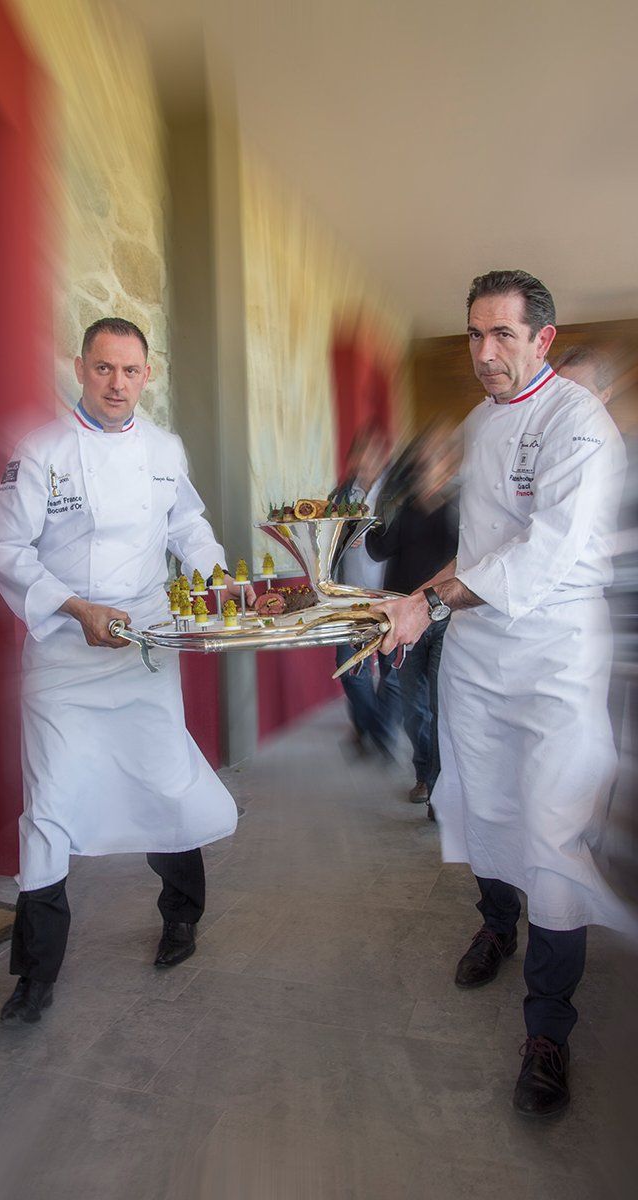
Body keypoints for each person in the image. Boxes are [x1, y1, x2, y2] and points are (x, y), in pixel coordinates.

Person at [376, 270, 634, 1118]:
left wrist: (430, 604)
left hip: (555, 655)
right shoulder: (484, 425)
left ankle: (548, 1030)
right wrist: (419, 599)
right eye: (475, 336)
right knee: (481, 802)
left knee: (553, 834)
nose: (485, 355)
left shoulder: (583, 428)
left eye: (503, 337)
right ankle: (496, 923)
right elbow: (482, 546)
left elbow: (544, 556)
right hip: (480, 653)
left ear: (543, 340)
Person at [0, 316, 253, 1025]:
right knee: (47, 807)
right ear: (80, 367)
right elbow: (10, 552)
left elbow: (186, 526)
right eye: (104, 369)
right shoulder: (41, 451)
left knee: (164, 780)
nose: (117, 384)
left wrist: (218, 575)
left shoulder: (164, 449)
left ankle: (182, 916)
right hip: (63, 653)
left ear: (148, 375)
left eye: (131, 371)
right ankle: (35, 976)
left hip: (142, 645)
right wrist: (75, 610)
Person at [366, 426, 459, 807]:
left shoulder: (461, 505)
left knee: (440, 707)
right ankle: (424, 774)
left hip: (447, 618)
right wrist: (367, 517)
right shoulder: (405, 508)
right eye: (422, 460)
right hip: (406, 621)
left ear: (450, 462)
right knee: (412, 708)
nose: (426, 466)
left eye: (435, 458)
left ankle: (438, 789)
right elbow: (378, 550)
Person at [332, 428, 401, 760]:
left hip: (392, 593)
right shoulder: (342, 494)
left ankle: (375, 732)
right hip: (349, 596)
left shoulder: (397, 490)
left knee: (392, 671)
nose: (364, 461)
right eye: (359, 454)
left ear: (382, 455)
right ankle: (376, 728)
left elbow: (409, 534)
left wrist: (374, 534)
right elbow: (327, 539)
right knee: (348, 666)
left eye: (371, 453)